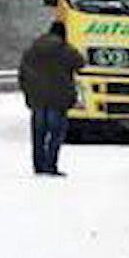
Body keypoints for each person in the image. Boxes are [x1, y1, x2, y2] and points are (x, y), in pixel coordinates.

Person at [19, 20, 84, 176]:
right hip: (59, 99)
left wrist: (28, 92)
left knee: (38, 134)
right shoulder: (66, 51)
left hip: (37, 98)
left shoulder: (32, 51)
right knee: (55, 134)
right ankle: (50, 165)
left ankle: (39, 166)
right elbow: (80, 64)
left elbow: (22, 74)